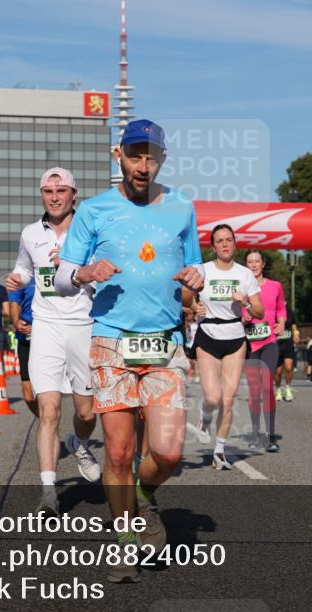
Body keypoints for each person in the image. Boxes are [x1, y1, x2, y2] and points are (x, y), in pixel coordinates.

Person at [54, 119, 204, 584]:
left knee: (170, 451)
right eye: (135, 155)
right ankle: (123, 543)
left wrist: (196, 277)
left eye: (151, 156)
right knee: (117, 452)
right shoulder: (95, 210)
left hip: (164, 341)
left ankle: (143, 494)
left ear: (162, 158)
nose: (143, 165)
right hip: (111, 338)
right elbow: (61, 278)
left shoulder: (181, 206)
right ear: (118, 155)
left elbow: (195, 262)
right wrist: (84, 273)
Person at [4, 167, 102, 516]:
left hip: (83, 325)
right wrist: (18, 278)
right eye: (48, 190)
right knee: (48, 411)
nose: (55, 196)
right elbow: (26, 267)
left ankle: (80, 442)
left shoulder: (89, 229)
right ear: (41, 194)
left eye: (62, 190)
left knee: (86, 411)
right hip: (46, 325)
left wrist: (78, 267)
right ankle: (48, 493)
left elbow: (103, 269)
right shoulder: (31, 233)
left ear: (74, 195)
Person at [193, 224, 263, 470]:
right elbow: (186, 297)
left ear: (235, 244)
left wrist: (244, 301)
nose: (224, 244)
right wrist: (193, 307)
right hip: (209, 333)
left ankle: (219, 451)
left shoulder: (245, 274)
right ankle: (205, 417)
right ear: (213, 246)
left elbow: (259, 311)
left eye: (229, 240)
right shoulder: (203, 270)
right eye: (219, 240)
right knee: (213, 397)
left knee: (229, 398)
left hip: (235, 336)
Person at [241, 251, 286, 452]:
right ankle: (255, 432)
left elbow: (281, 309)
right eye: (250, 262)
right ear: (246, 265)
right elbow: (237, 313)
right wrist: (244, 319)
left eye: (257, 261)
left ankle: (269, 436)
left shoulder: (275, 286)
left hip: (269, 341)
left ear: (263, 263)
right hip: (251, 343)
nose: (253, 265)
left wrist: (282, 323)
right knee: (254, 391)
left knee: (267, 387)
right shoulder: (241, 288)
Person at [9, 278, 39, 417]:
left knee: (49, 393)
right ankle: (46, 420)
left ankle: (49, 424)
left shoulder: (53, 269)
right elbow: (14, 303)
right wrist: (16, 322)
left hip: (50, 335)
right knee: (28, 396)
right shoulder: (22, 276)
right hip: (25, 337)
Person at [274, 309, 299, 402]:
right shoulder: (271, 309)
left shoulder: (289, 311)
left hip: (288, 344)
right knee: (278, 372)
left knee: (288, 367)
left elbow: (293, 325)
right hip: (276, 345)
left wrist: (296, 334)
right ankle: (278, 390)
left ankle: (288, 388)